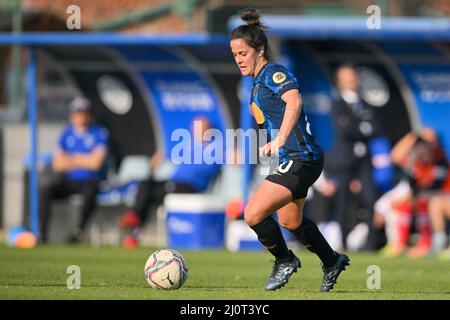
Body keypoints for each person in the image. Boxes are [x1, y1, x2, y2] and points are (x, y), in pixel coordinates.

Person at [229, 8, 349, 292]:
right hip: (292, 159)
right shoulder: (257, 85)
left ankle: (284, 260)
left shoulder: (274, 72)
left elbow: (294, 102)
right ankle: (331, 260)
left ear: (259, 50)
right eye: (234, 56)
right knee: (290, 220)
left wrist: (281, 139)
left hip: (301, 157)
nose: (238, 60)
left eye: (243, 54)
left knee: (253, 214)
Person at [118, 116, 223, 248]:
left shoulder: (215, 147)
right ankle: (134, 226)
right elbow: (163, 154)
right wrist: (155, 161)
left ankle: (134, 219)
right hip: (173, 183)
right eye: (196, 128)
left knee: (147, 196)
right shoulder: (187, 144)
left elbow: (231, 156)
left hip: (191, 186)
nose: (199, 131)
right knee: (145, 185)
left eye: (202, 128)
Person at [324, 63, 383, 251]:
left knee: (370, 198)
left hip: (364, 160)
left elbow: (376, 128)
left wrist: (357, 127)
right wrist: (362, 127)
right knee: (342, 202)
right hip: (344, 160)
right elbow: (344, 130)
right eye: (348, 77)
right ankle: (342, 243)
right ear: (340, 81)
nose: (352, 80)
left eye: (354, 76)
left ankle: (370, 245)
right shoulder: (337, 103)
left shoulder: (365, 103)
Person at [39, 97, 109, 243]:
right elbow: (57, 164)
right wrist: (84, 159)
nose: (81, 116)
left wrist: (71, 158)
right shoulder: (66, 134)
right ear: (72, 115)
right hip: (69, 180)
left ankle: (78, 232)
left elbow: (96, 163)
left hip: (91, 180)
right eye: (78, 113)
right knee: (46, 190)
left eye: (84, 113)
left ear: (88, 115)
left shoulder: (99, 133)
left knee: (91, 192)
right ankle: (42, 235)